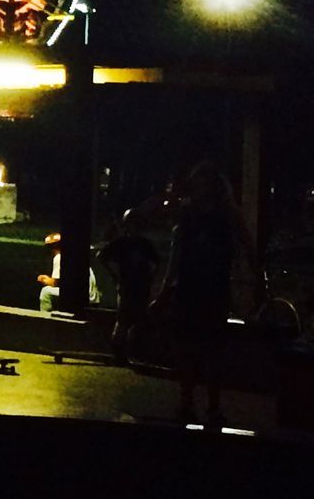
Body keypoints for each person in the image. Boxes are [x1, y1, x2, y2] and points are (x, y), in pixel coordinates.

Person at [152, 161, 262, 427]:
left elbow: (178, 255)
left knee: (201, 348)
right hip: (205, 289)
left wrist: (165, 289)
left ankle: (195, 403)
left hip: (203, 289)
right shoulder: (221, 215)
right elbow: (179, 256)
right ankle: (200, 404)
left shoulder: (197, 216)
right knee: (201, 348)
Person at [98, 210, 160, 364]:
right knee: (124, 319)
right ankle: (120, 353)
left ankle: (131, 352)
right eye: (133, 223)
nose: (135, 227)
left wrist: (150, 278)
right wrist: (115, 275)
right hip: (127, 286)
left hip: (140, 286)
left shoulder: (144, 244)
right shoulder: (122, 243)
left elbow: (156, 262)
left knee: (136, 319)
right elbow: (101, 256)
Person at [37, 232, 100, 312]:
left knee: (45, 291)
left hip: (81, 298)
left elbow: (55, 283)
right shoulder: (76, 255)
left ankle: (45, 319)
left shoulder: (59, 257)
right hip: (93, 298)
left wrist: (44, 279)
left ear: (53, 247)